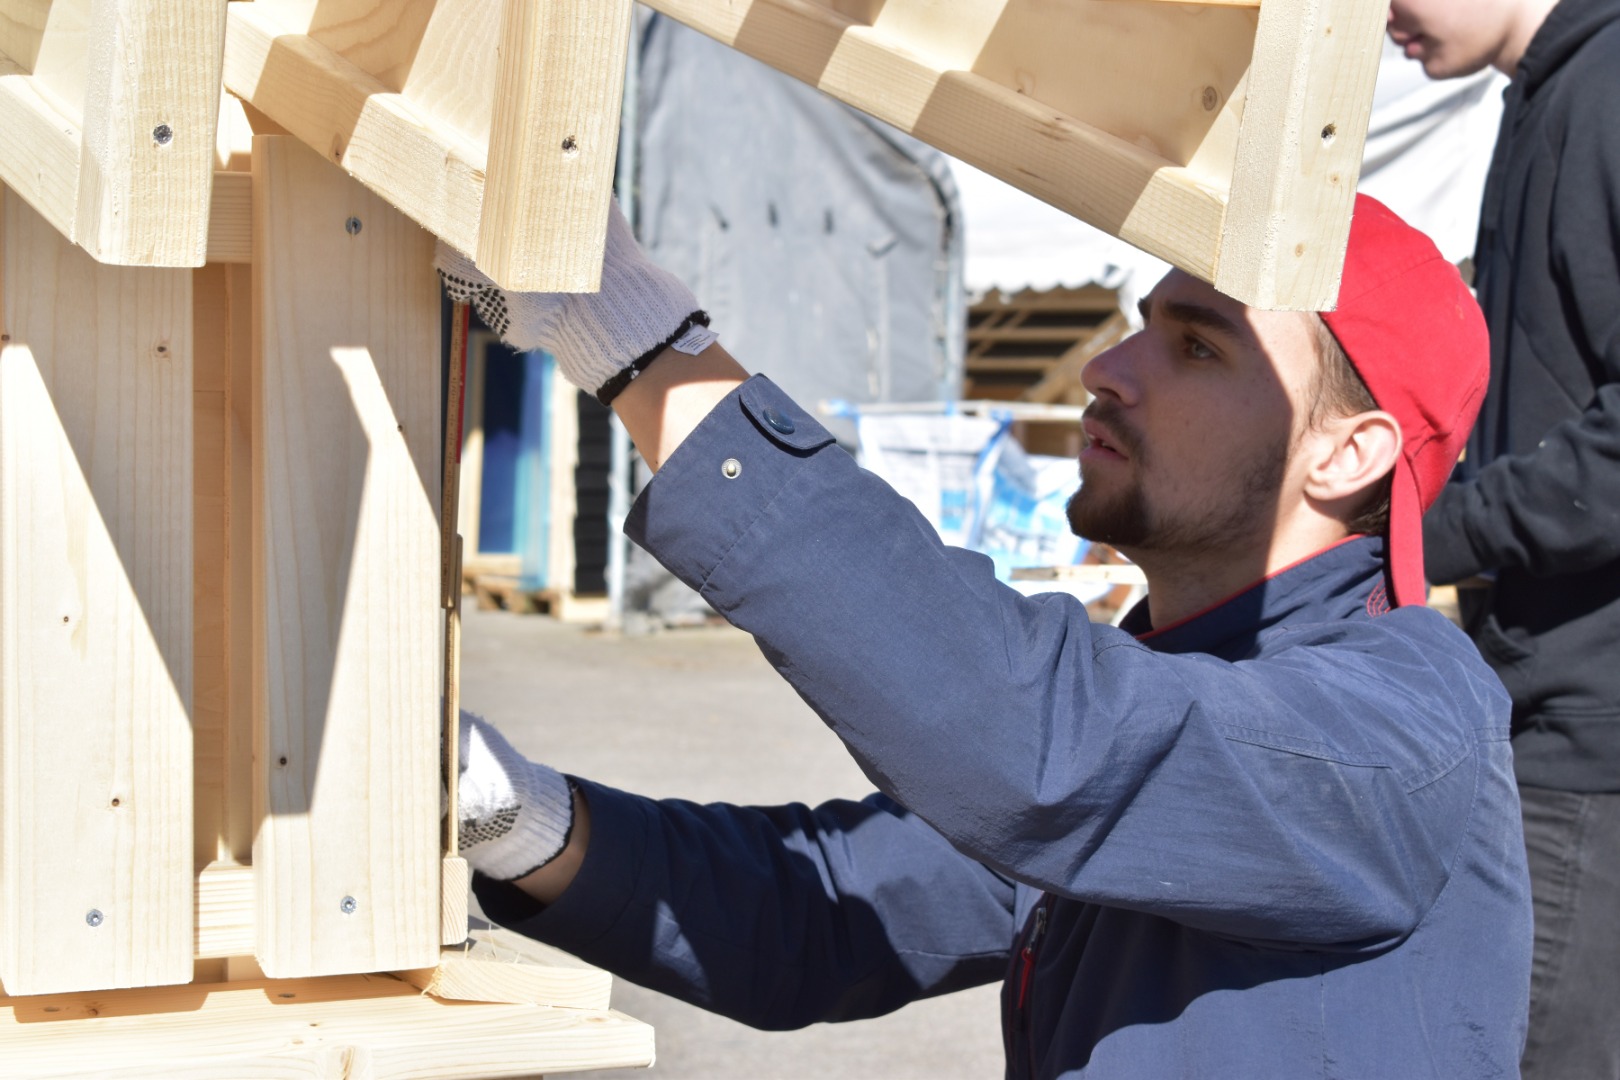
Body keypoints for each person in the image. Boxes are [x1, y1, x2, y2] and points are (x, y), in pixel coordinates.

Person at [436, 193, 1532, 1078]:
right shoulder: (1183, 686)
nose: (1110, 366)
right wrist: (510, 814)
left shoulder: (1403, 722)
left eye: (1198, 348)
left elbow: (1038, 744)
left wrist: (637, 336)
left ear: (1348, 455)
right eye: (1148, 322)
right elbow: (825, 913)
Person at [1387, 0, 1620, 1073]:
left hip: (1594, 724)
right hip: (1541, 685)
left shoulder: (1608, 90)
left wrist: (1431, 534)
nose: (1380, 14)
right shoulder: (1542, 95)